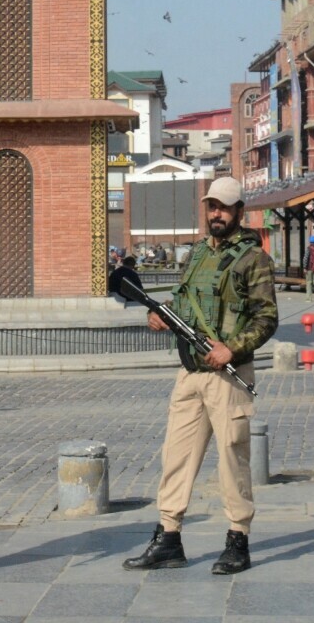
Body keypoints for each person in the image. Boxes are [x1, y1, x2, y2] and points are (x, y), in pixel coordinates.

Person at [124, 176, 277, 577]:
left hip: (227, 373)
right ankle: (169, 537)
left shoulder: (253, 259)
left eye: (224, 208)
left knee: (232, 457)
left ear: (240, 212)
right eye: (212, 207)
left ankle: (237, 539)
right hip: (190, 372)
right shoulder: (196, 254)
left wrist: (234, 347)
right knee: (176, 456)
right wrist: (159, 314)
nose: (216, 214)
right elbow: (185, 299)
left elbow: (267, 318)